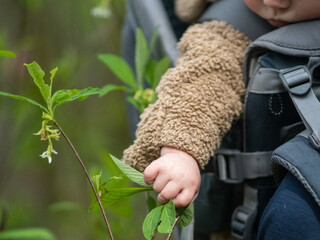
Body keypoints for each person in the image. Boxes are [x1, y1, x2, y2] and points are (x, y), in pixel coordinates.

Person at [122, 0, 320, 239]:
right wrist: (180, 151)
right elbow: (202, 81)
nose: (271, 1)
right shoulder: (231, 29)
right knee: (292, 218)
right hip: (284, 193)